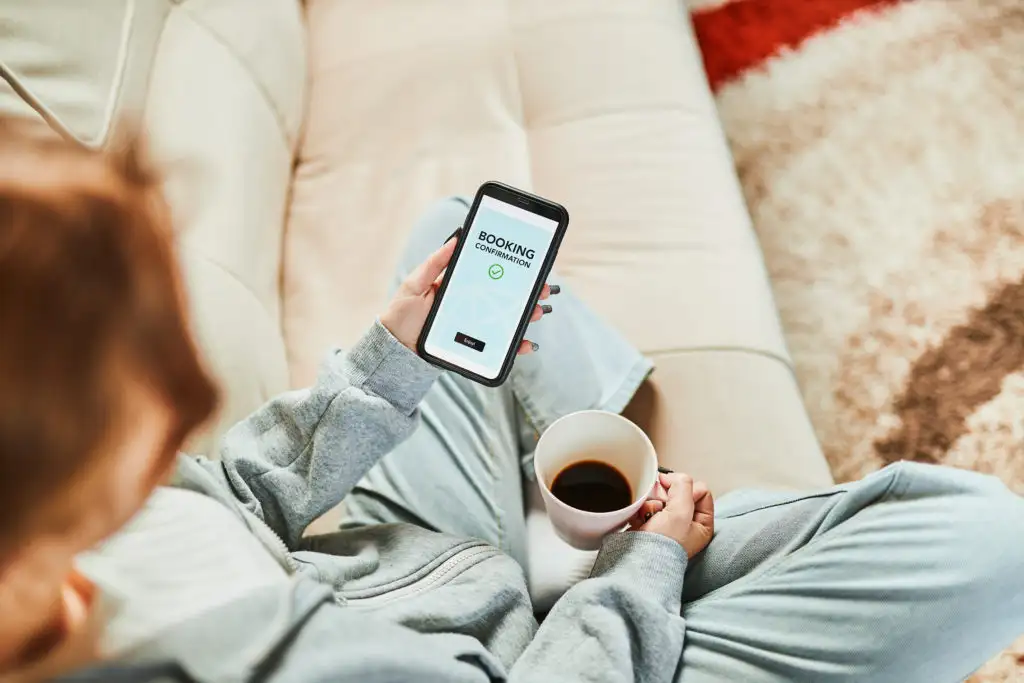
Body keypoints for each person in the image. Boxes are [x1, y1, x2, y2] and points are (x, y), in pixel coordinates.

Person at [0, 121, 1021, 683]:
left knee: (461, 245)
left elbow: (235, 494)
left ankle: (567, 507)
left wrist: (388, 360)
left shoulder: (72, 520)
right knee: (992, 540)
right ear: (65, 493)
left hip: (428, 574)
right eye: (155, 398)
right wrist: (641, 566)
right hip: (552, 656)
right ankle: (591, 530)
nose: (194, 398)